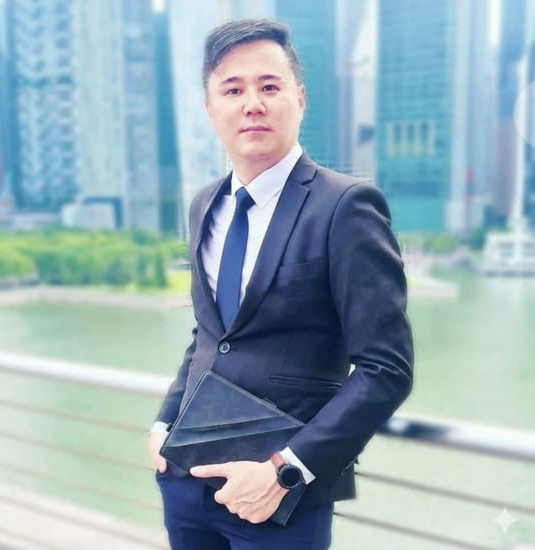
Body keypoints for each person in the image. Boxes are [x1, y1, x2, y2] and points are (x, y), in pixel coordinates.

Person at [148, 18, 413, 550]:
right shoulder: (205, 205)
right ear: (210, 108)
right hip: (185, 482)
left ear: (299, 99)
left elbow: (386, 369)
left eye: (269, 86)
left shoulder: (346, 206)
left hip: (278, 503)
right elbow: (209, 334)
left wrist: (286, 472)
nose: (253, 103)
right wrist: (163, 423)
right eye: (233, 90)